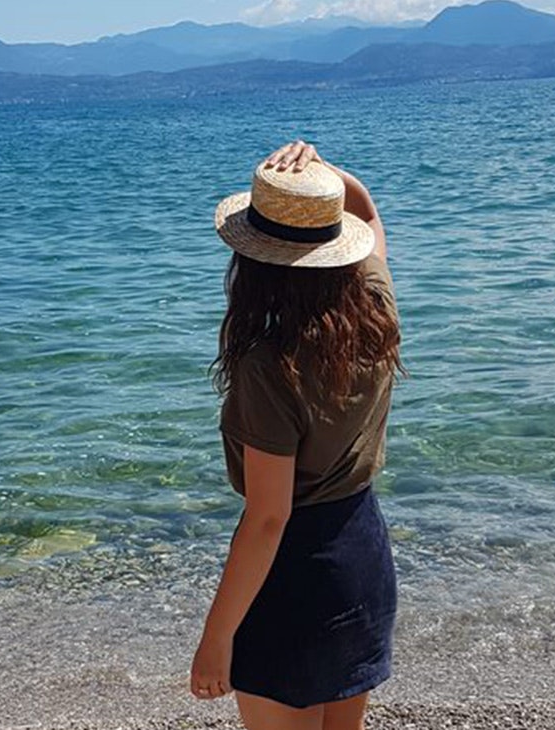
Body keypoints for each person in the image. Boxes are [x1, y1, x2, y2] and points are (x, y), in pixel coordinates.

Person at [190, 140, 404, 730]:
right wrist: (327, 176)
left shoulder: (270, 366)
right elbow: (370, 215)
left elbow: (267, 518)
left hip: (294, 580)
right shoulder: (377, 316)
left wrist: (216, 637)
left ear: (252, 264)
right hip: (362, 555)